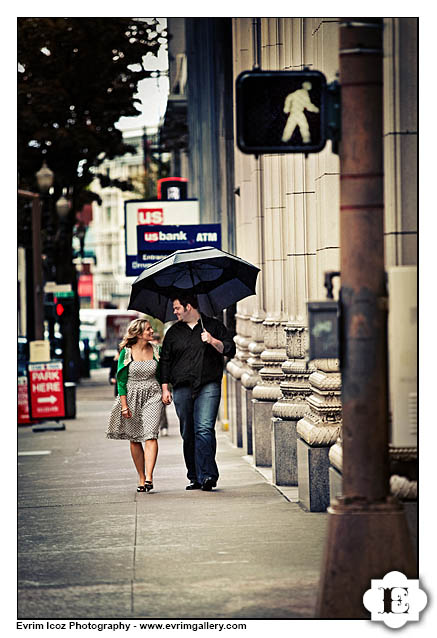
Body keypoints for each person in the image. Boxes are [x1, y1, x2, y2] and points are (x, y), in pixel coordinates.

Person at [160, 294, 236, 491]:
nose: (174, 311)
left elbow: (230, 349)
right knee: (188, 432)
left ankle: (208, 475)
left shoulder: (213, 326)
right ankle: (194, 475)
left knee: (204, 428)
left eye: (177, 308)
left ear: (188, 306)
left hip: (208, 384)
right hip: (182, 387)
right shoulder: (173, 333)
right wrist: (165, 388)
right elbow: (165, 361)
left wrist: (212, 340)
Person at [106, 318, 170, 492]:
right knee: (135, 438)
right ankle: (141, 477)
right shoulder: (126, 353)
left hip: (153, 394)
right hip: (131, 395)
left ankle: (149, 477)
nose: (151, 332)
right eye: (148, 329)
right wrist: (124, 405)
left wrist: (165, 390)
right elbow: (121, 381)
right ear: (139, 333)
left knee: (151, 434)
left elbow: (164, 373)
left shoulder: (157, 350)